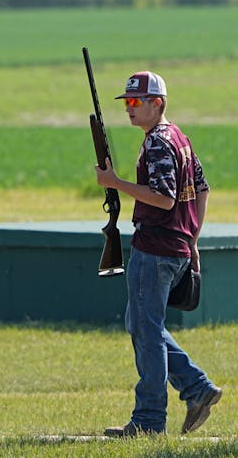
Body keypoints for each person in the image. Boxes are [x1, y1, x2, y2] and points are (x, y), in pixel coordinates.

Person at [91, 72, 222, 437]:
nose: (130, 109)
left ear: (157, 104)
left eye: (137, 102)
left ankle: (149, 419)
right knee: (142, 325)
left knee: (146, 332)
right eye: (128, 103)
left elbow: (163, 199)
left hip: (157, 247)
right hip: (175, 246)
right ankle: (196, 387)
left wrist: (116, 183)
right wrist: (193, 238)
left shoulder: (158, 144)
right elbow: (203, 188)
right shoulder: (178, 137)